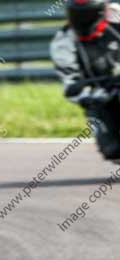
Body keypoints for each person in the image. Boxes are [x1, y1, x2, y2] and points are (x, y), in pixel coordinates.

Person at [51, 0, 120, 161]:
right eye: (76, 14)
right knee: (112, 150)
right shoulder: (63, 41)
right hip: (100, 94)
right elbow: (70, 83)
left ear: (102, 11)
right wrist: (89, 94)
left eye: (86, 14)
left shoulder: (117, 16)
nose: (81, 19)